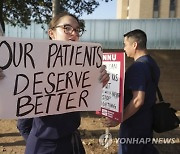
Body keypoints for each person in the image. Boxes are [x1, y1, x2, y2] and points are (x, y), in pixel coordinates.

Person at [14, 12, 109, 154]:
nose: (74, 33)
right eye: (67, 28)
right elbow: (23, 121)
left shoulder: (84, 67)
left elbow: (82, 101)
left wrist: (98, 84)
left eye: (77, 30)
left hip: (72, 144)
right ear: (51, 33)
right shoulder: (35, 66)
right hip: (44, 145)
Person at [104, 29, 160, 154]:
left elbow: (138, 100)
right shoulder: (152, 63)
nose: (124, 48)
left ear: (135, 45)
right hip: (147, 120)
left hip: (134, 123)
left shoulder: (138, 67)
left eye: (125, 44)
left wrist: (119, 118)